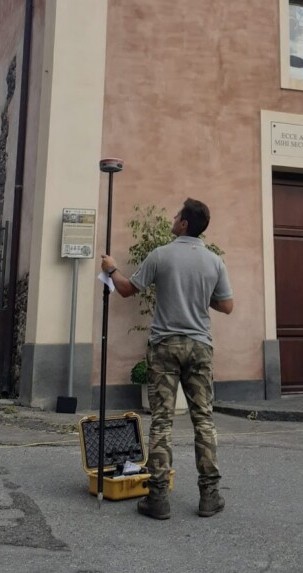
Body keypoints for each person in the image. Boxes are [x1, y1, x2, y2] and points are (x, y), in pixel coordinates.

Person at [101, 198, 234, 520]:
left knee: (162, 421)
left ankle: (157, 498)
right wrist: (199, 297)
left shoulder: (161, 255)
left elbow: (126, 289)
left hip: (164, 346)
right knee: (203, 420)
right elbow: (227, 306)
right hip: (199, 345)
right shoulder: (215, 261)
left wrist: (111, 268)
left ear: (185, 224)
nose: (172, 218)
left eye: (176, 215)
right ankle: (210, 495)